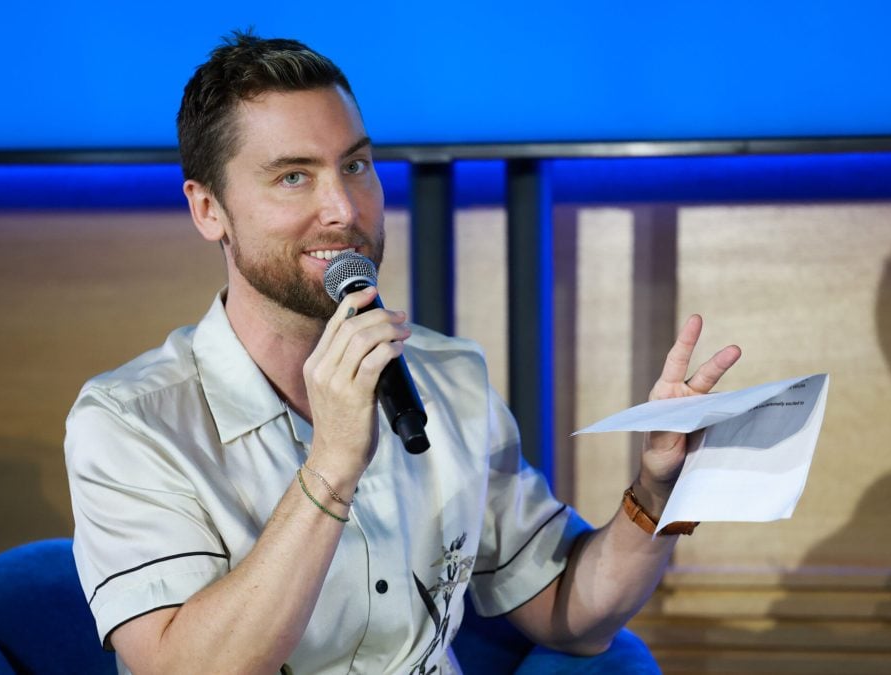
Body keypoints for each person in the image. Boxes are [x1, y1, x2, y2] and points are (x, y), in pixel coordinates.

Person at [64, 31, 741, 675]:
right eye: (294, 177)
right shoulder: (129, 422)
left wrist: (658, 490)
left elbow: (570, 613)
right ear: (209, 209)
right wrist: (330, 467)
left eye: (355, 165)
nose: (342, 209)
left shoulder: (449, 378)